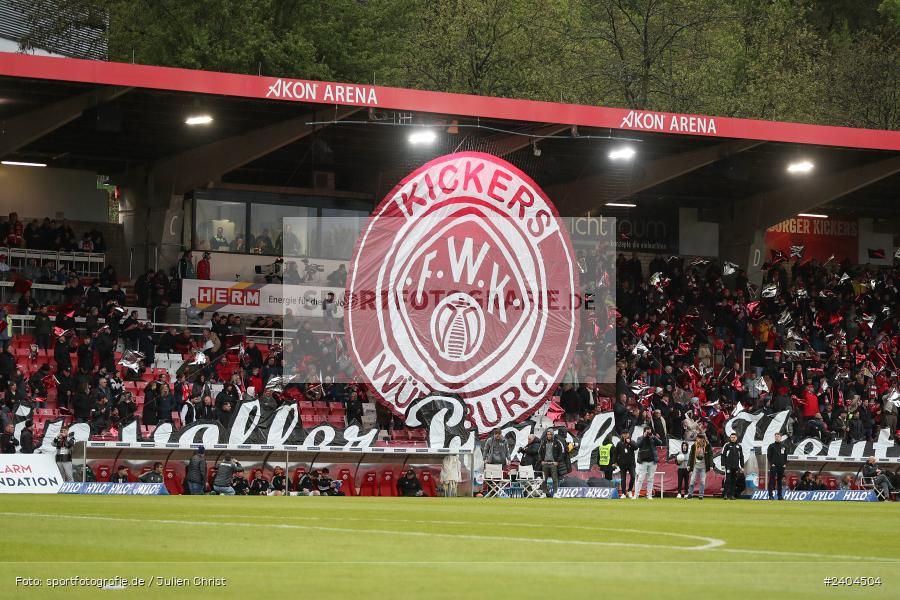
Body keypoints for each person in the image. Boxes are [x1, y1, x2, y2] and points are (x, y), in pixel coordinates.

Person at [633, 426, 664, 500]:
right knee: (640, 479)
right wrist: (644, 437)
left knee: (650, 479)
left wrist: (653, 437)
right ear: (644, 432)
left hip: (652, 462)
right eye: (647, 432)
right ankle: (636, 495)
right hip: (643, 462)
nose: (648, 433)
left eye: (649, 431)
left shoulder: (653, 438)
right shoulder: (640, 438)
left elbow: (660, 443)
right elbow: (637, 445)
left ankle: (649, 495)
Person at [537, 428, 566, 495]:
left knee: (555, 479)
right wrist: (541, 460)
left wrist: (557, 461)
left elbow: (562, 452)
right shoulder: (543, 442)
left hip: (553, 463)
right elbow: (539, 452)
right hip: (545, 463)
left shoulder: (557, 442)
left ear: (553, 435)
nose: (549, 436)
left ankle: (555, 493)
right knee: (544, 479)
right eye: (547, 434)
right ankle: (544, 493)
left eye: (550, 434)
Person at [687, 434, 713, 499]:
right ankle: (690, 494)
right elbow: (691, 456)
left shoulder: (707, 446)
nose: (699, 440)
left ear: (703, 439)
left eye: (700, 439)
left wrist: (711, 465)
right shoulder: (694, 446)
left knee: (702, 481)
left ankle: (701, 495)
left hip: (704, 466)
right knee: (692, 480)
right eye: (698, 438)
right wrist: (688, 465)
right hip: (695, 466)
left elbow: (710, 456)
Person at [721, 432, 745, 500]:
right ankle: (725, 494)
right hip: (728, 466)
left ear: (736, 438)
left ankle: (732, 495)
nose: (733, 438)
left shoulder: (739, 446)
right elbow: (723, 455)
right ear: (730, 438)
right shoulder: (727, 445)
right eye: (732, 437)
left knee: (734, 481)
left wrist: (742, 466)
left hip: (736, 466)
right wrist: (723, 464)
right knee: (728, 480)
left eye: (734, 437)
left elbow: (741, 457)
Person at [766, 431, 788, 500]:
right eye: (776, 436)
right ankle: (770, 495)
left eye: (778, 436)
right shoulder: (771, 445)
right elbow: (769, 456)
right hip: (774, 466)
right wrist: (771, 463)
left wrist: (785, 464)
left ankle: (780, 496)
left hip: (781, 466)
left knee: (779, 481)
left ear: (781, 437)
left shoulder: (784, 446)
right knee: (772, 480)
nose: (777, 438)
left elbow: (785, 456)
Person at [615, 430, 637, 498]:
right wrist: (615, 462)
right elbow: (616, 453)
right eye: (623, 434)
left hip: (631, 464)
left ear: (628, 434)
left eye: (626, 434)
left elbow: (636, 447)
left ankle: (630, 491)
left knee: (633, 477)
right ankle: (624, 493)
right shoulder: (619, 443)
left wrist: (629, 442)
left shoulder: (632, 441)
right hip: (622, 464)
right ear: (622, 435)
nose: (625, 435)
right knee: (623, 479)